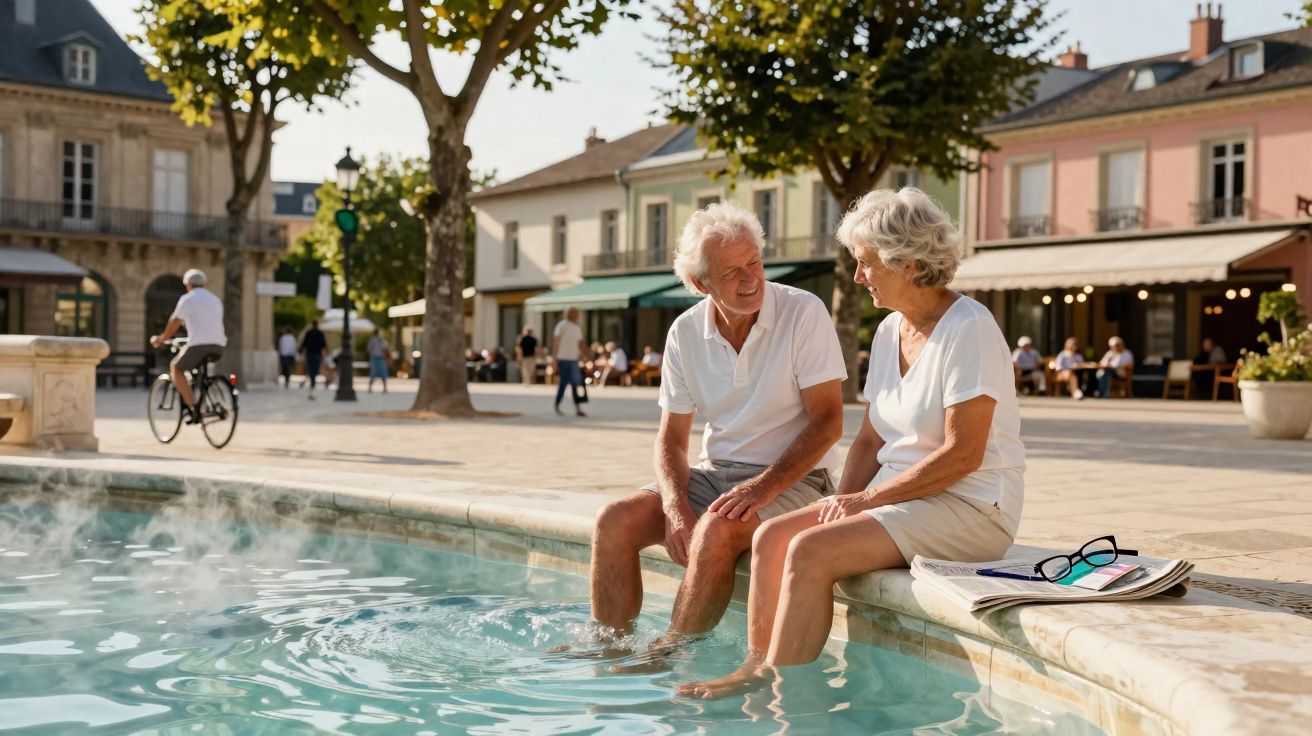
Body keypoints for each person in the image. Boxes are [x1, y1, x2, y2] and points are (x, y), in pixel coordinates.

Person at [677, 187, 1024, 700]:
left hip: (971, 504)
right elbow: (867, 439)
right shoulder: (889, 331)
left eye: (865, 263)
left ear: (905, 262)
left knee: (812, 551)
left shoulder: (969, 328)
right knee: (774, 536)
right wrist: (839, 502)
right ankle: (755, 666)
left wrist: (865, 502)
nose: (859, 276)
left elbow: (963, 454)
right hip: (901, 502)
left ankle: (787, 695)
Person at [568, 201, 846, 672]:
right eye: (733, 271)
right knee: (613, 520)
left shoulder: (804, 313)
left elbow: (828, 422)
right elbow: (671, 440)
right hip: (714, 473)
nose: (751, 278)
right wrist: (676, 509)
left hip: (797, 481)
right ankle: (608, 645)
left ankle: (668, 652)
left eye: (754, 262)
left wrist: (759, 490)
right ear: (701, 284)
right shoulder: (683, 333)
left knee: (717, 528)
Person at [149, 269, 226, 424]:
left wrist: (163, 338)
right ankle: (203, 394)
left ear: (188, 285)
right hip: (218, 346)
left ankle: (193, 407)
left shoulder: (188, 299)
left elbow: (175, 321)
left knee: (176, 368)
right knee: (197, 367)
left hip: (199, 344)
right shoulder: (215, 299)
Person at [552, 308, 588, 416]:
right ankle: (557, 404)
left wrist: (585, 355)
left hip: (573, 359)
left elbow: (580, 343)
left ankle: (577, 407)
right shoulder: (561, 326)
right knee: (563, 383)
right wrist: (554, 359)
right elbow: (556, 343)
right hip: (563, 359)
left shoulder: (576, 328)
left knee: (575, 384)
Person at [300, 320, 327, 400]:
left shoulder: (308, 333)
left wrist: (300, 351)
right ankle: (311, 384)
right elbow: (324, 345)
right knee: (314, 371)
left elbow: (303, 344)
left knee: (311, 370)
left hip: (310, 354)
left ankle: (310, 384)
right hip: (317, 354)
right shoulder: (320, 333)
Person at [367, 329, 390, 393]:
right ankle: (370, 387)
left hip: (382, 359)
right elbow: (369, 350)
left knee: (383, 373)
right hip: (374, 358)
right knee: (373, 373)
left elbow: (386, 350)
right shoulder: (373, 341)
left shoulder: (384, 341)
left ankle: (385, 388)